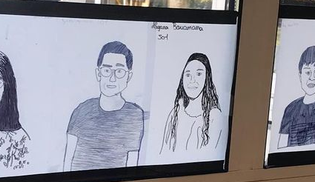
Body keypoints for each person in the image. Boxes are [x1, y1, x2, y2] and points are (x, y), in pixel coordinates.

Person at [64, 41, 144, 170]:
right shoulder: (82, 111)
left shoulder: (134, 115)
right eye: (107, 70)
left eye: (119, 71)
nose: (112, 78)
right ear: (98, 74)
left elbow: (132, 164)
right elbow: (68, 160)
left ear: (128, 76)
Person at [161, 52, 222, 154]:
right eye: (188, 75)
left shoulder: (214, 117)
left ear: (207, 78)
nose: (192, 80)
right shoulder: (175, 113)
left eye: (199, 74)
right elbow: (163, 151)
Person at [278, 44, 315, 148]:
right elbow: (281, 145)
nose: (311, 78)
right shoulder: (291, 108)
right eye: (307, 72)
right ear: (300, 76)